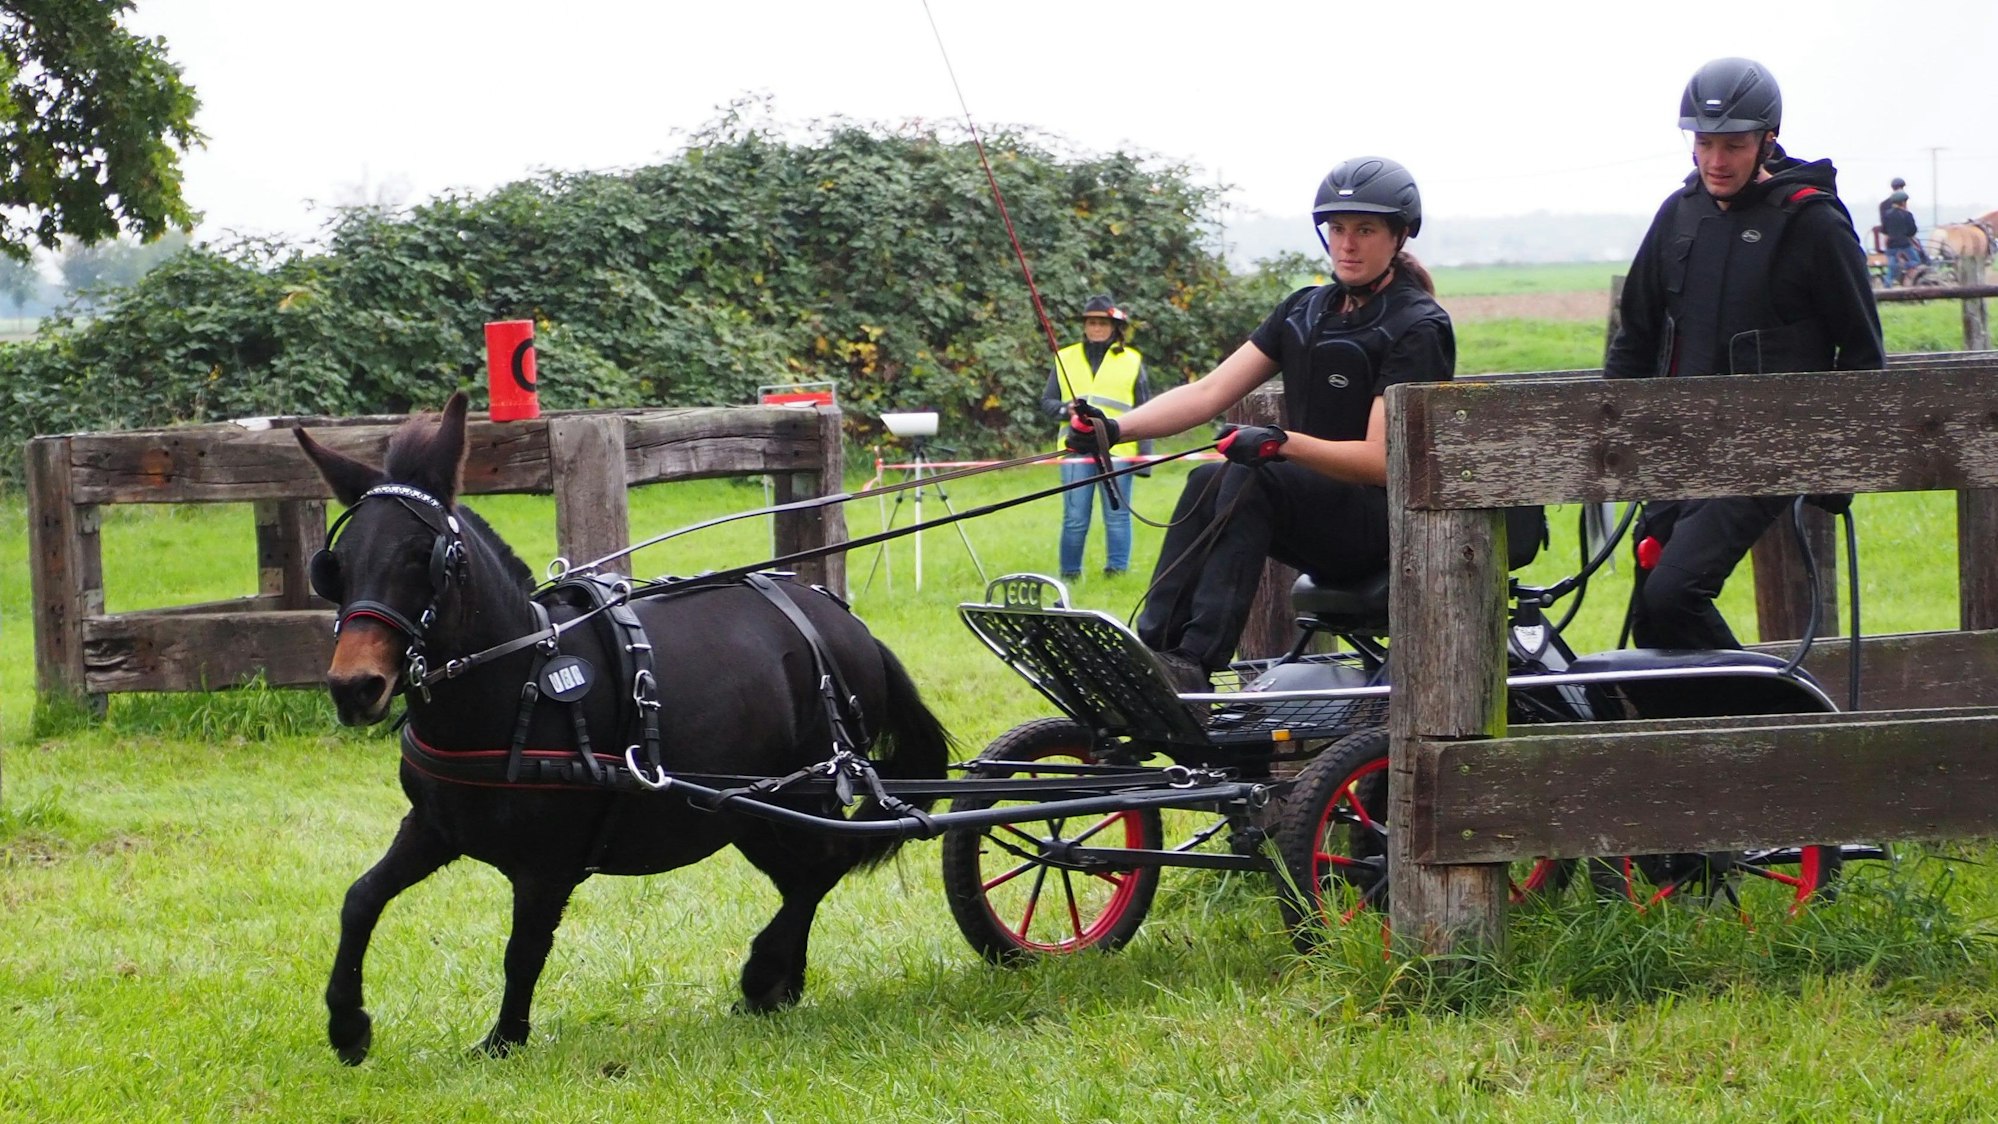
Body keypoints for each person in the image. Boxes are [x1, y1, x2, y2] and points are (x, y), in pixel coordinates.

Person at [1066, 157, 1453, 691]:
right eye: (1338, 229)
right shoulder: (1304, 310)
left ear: (1399, 234)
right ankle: (1157, 654)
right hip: (1320, 513)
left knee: (1254, 475)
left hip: (1385, 525)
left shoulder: (1417, 326)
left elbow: (1381, 463)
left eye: (1365, 230)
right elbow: (1209, 392)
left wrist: (1281, 444)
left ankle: (1194, 663)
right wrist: (1114, 429)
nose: (1348, 244)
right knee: (1207, 479)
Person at [1604, 57, 1885, 650]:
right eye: (1704, 144)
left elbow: (1862, 354)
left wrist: (1836, 469)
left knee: (1674, 595)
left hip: (1767, 453)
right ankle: (1696, 738)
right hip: (1677, 450)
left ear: (1768, 139)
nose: (1715, 161)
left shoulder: (1814, 223)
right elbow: (1634, 338)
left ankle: (1781, 718)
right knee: (1651, 619)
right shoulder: (1678, 216)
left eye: (1732, 145)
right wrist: (1620, 443)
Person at [1043, 295, 1152, 578]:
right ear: (1085, 326)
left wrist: (1145, 458)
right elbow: (1047, 404)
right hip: (1075, 450)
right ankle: (1070, 574)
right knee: (1075, 518)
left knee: (1117, 517)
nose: (1097, 328)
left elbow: (1145, 408)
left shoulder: (1133, 360)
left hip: (1120, 450)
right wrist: (1067, 410)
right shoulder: (1064, 357)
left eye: (1103, 323)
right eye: (1092, 323)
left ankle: (1116, 572)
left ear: (1115, 327)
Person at [1882, 192, 1924, 286]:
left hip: (1891, 245)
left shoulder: (1887, 215)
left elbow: (1884, 230)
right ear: (1903, 202)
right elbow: (1912, 231)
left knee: (1891, 268)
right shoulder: (1907, 215)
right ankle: (1903, 267)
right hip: (1904, 244)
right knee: (1916, 261)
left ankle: (1887, 287)